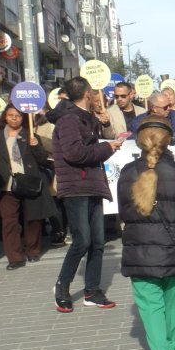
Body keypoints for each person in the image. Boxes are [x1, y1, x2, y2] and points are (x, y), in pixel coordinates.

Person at [117, 117, 175, 350]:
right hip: (174, 248)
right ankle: (173, 348)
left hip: (140, 251)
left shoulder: (128, 172)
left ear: (140, 141)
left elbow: (122, 211)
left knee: (150, 307)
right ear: (168, 140)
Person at [52, 77, 124, 312]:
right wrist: (105, 147)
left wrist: (108, 142)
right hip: (76, 187)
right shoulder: (69, 119)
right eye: (94, 93)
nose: (97, 96)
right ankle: (62, 286)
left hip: (92, 184)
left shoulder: (86, 117)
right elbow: (74, 153)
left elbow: (90, 150)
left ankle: (92, 290)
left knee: (98, 242)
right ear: (86, 94)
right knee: (82, 241)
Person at [0, 104, 58, 269]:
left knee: (32, 219)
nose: (14, 118)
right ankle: (15, 257)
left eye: (18, 116)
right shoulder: (0, 136)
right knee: (9, 221)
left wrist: (36, 146)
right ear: (5, 116)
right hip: (6, 185)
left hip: (29, 183)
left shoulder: (31, 134)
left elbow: (42, 160)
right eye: (11, 115)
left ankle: (33, 251)